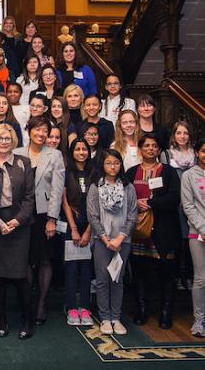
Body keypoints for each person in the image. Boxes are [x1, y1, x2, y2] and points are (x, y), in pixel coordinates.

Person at [0, 124, 36, 339]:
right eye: (0, 138)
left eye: (7, 138)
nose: (4, 141)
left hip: (19, 226)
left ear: (13, 141)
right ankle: (2, 320)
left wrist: (16, 221)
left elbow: (30, 197)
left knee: (21, 277)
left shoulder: (24, 163)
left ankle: (27, 320)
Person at [127, 134, 181, 329]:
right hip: (138, 232)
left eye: (154, 146)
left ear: (159, 150)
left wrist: (150, 203)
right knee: (140, 274)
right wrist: (136, 204)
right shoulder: (131, 172)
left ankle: (165, 312)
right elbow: (124, 197)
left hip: (164, 230)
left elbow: (174, 198)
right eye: (146, 146)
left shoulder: (168, 172)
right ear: (140, 149)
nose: (150, 149)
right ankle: (142, 309)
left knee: (166, 275)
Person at [87, 149, 137, 336]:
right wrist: (106, 239)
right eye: (109, 163)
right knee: (102, 280)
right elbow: (92, 216)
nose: (113, 166)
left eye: (116, 163)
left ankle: (116, 318)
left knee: (117, 279)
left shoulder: (128, 187)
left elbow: (132, 215)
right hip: (102, 240)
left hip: (122, 240)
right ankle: (105, 318)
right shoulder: (95, 187)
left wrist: (120, 237)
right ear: (102, 165)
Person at [21, 116, 65, 325]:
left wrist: (52, 219)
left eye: (44, 130)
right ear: (29, 130)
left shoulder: (55, 156)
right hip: (22, 215)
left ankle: (41, 303)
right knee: (26, 260)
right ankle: (28, 301)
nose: (40, 133)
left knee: (45, 259)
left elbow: (57, 191)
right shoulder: (17, 153)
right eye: (37, 129)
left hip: (43, 215)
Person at [62, 138, 97, 326]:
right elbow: (64, 201)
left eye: (84, 149)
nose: (82, 152)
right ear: (72, 152)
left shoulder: (95, 172)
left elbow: (98, 204)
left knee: (86, 268)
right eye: (78, 149)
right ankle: (71, 307)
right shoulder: (66, 172)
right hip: (71, 226)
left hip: (90, 226)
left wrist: (88, 231)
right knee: (71, 268)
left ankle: (84, 307)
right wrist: (74, 229)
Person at [161, 121, 196, 291]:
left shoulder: (196, 155)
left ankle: (188, 276)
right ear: (173, 135)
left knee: (191, 242)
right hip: (174, 204)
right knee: (176, 242)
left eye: (185, 133)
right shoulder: (167, 155)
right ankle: (176, 277)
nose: (182, 136)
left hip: (193, 204)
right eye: (179, 133)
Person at [181, 138, 205, 337]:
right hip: (198, 233)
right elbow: (188, 206)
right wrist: (203, 229)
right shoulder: (189, 175)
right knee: (201, 278)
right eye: (204, 151)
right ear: (197, 152)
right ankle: (199, 320)